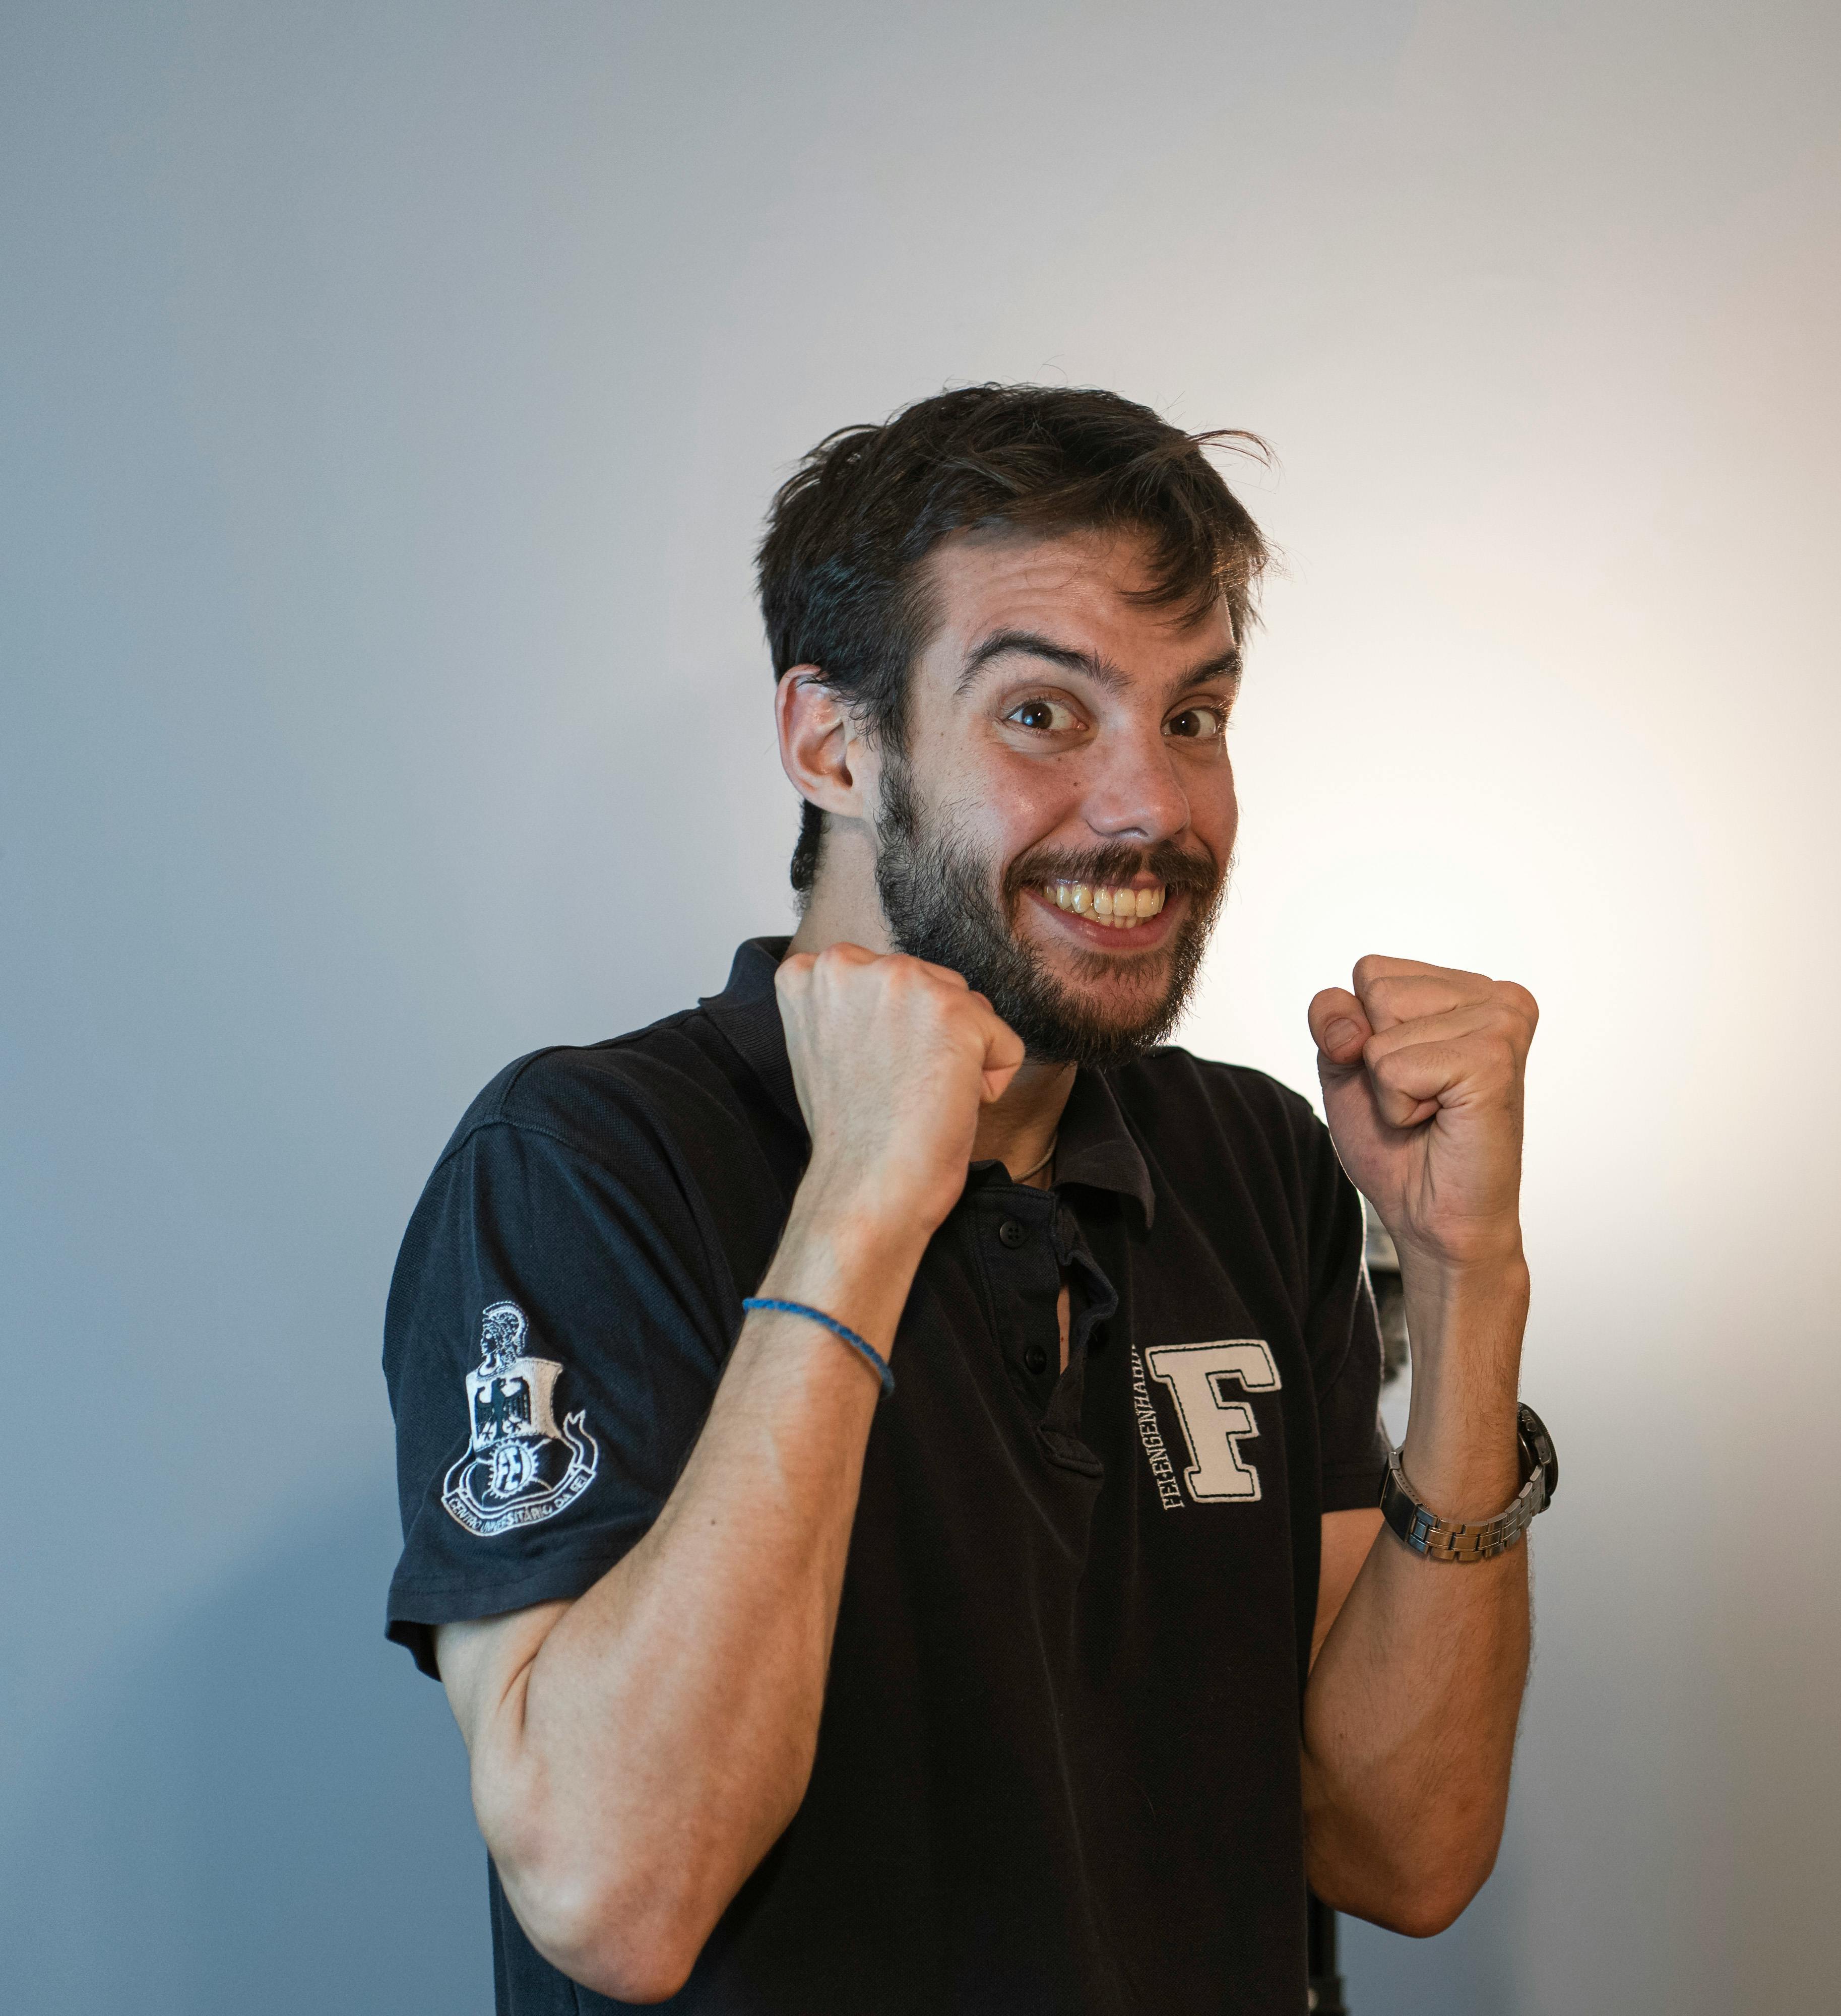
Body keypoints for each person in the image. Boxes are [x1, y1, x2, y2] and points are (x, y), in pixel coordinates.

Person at [378, 385, 1553, 2011]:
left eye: (1195, 718)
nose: (1152, 806)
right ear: (834, 740)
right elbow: (614, 1892)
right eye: (1044, 716)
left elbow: (1401, 1849)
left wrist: (1468, 1272)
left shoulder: (1259, 1164)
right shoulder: (584, 1164)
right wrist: (858, 1204)